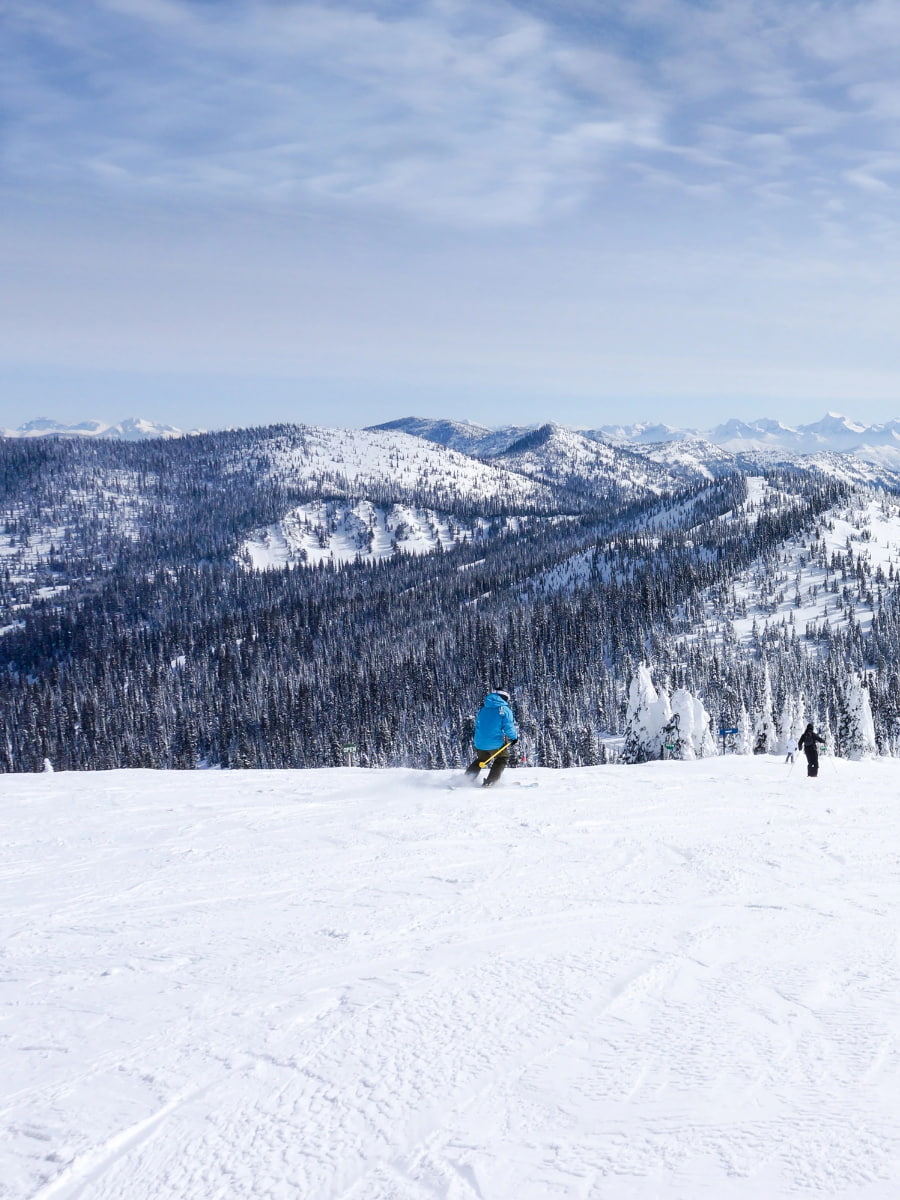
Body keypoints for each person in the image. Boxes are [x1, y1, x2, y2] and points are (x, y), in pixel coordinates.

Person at [465, 690, 519, 788]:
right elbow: (508, 726)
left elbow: (478, 724)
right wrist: (514, 737)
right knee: (502, 758)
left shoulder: (484, 709)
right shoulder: (504, 709)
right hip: (494, 742)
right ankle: (490, 782)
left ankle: (466, 779)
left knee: (482, 759)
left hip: (479, 741)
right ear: (504, 698)